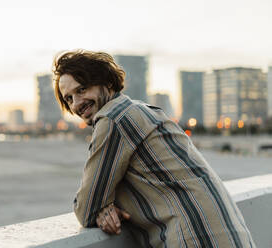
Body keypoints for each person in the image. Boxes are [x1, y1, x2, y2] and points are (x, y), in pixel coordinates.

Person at [52, 50, 255, 247]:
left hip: (196, 238)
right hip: (230, 234)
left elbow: (86, 208)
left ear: (105, 81)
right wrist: (106, 205)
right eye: (69, 98)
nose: (77, 103)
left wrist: (102, 205)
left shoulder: (114, 120)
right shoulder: (142, 110)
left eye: (81, 89)